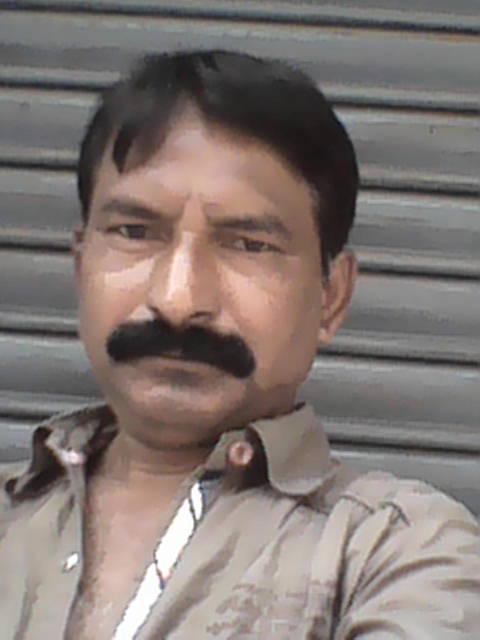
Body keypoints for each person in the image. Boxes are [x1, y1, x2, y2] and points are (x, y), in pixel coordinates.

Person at [0, 50, 479, 640]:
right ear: (81, 268)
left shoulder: (399, 554)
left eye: (249, 245)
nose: (178, 301)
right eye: (134, 232)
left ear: (331, 297)